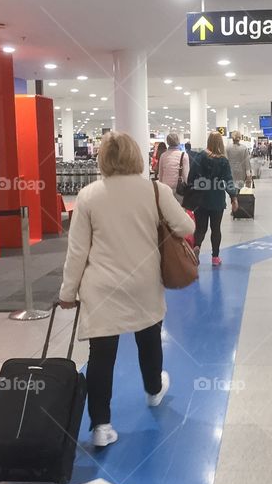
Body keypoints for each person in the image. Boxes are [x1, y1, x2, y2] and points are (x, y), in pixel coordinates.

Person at [58, 132, 194, 448]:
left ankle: (101, 426)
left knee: (101, 356)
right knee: (149, 338)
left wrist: (67, 293)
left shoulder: (89, 195)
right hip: (144, 282)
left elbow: (76, 251)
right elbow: (187, 229)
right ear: (137, 157)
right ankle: (153, 390)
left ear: (102, 159)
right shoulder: (155, 191)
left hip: (101, 286)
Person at [193, 132, 239, 266]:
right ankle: (215, 257)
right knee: (216, 229)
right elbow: (228, 180)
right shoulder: (223, 160)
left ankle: (196, 247)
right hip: (217, 199)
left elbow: (192, 177)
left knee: (200, 228)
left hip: (200, 199)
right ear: (220, 143)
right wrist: (233, 197)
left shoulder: (200, 156)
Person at [156, 133, 189, 203]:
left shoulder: (163, 155)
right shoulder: (184, 155)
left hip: (165, 188)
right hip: (179, 188)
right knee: (180, 211)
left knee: (167, 211)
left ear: (167, 142)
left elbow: (160, 174)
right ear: (178, 141)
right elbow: (186, 176)